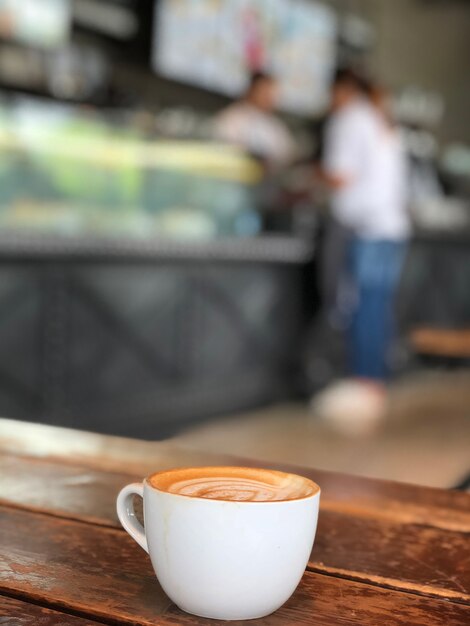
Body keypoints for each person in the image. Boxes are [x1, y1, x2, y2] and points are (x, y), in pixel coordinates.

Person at [312, 69, 410, 433]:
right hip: (392, 228)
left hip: (366, 228)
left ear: (342, 90)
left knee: (360, 305)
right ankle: (374, 384)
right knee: (377, 305)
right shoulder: (382, 123)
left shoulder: (350, 119)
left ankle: (364, 384)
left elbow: (339, 176)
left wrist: (310, 175)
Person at [214, 71, 296, 171]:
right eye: (264, 91)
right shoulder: (232, 118)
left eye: (272, 93)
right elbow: (223, 150)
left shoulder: (276, 127)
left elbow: (287, 157)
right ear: (252, 90)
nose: (269, 97)